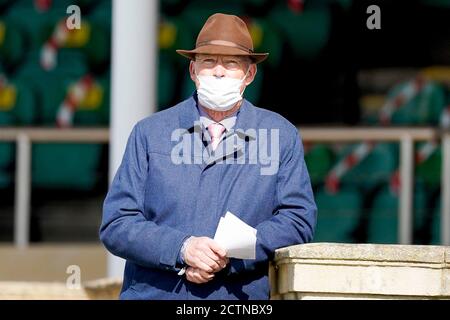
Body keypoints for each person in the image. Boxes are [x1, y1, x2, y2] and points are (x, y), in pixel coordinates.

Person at [100, 13, 317, 300]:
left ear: (249, 74)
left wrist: (226, 255)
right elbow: (117, 223)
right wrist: (182, 249)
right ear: (193, 70)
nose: (218, 72)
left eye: (231, 63)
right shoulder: (150, 132)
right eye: (208, 61)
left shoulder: (280, 135)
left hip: (234, 298)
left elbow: (297, 220)